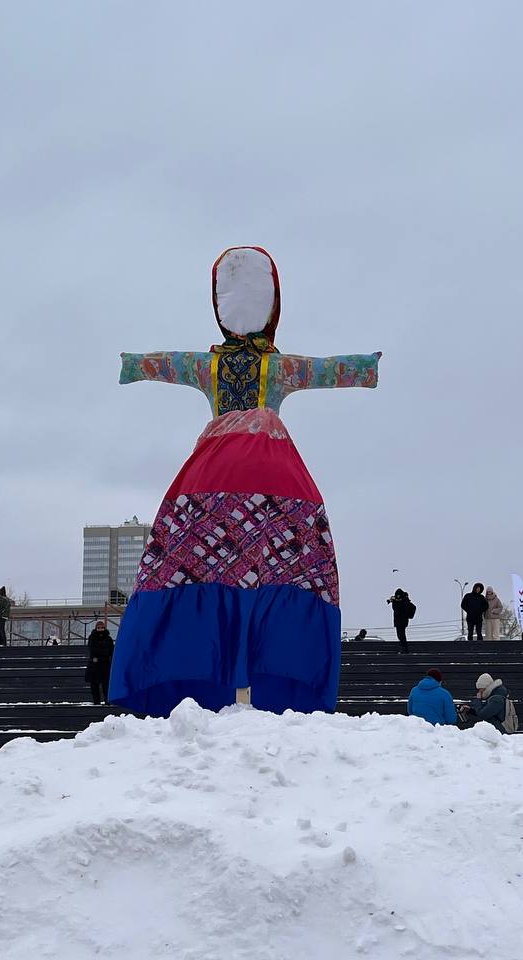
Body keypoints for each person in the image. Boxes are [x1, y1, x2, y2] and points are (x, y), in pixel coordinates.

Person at [110, 246, 380, 717]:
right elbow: (330, 371)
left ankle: (188, 666)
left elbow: (160, 362)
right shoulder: (276, 367)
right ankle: (271, 669)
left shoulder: (206, 365)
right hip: (275, 477)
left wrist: (133, 364)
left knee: (190, 562)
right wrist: (366, 366)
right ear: (275, 308)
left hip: (211, 475)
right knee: (286, 566)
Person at [85, 620, 115, 705]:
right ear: (96, 628)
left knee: (106, 685)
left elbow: (111, 651)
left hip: (105, 665)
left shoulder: (108, 639)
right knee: (94, 685)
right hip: (94, 665)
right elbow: (92, 650)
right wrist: (103, 652)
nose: (100, 629)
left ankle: (107, 701)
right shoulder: (92, 638)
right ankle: (96, 701)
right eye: (98, 628)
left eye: (102, 628)